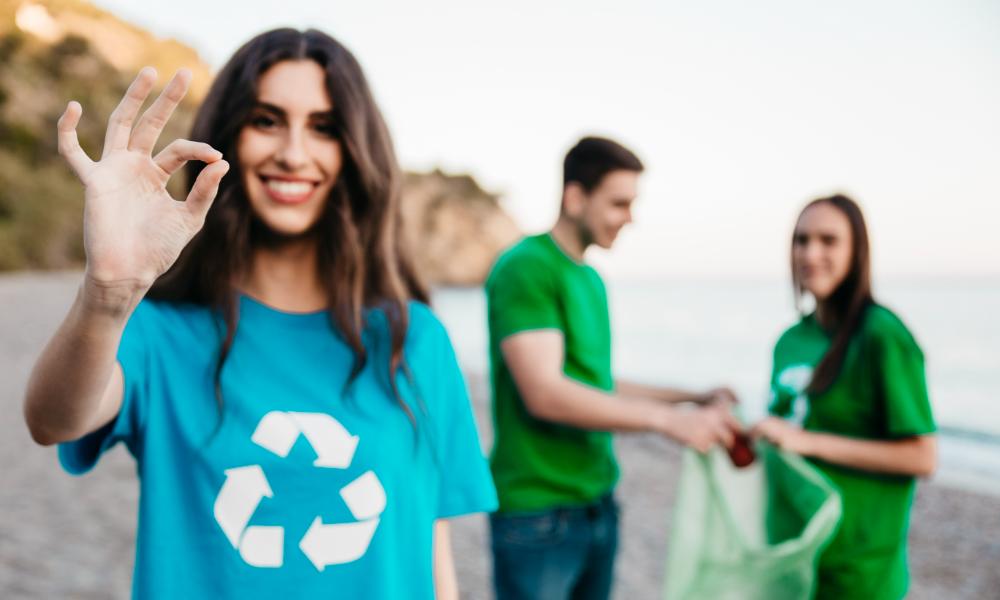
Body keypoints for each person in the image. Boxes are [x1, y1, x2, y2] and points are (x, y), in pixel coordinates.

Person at [23, 29, 496, 599]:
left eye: (323, 127)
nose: (293, 153)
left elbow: (430, 550)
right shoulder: (159, 333)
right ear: (228, 135)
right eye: (266, 120)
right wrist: (107, 293)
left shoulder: (413, 339)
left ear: (354, 150)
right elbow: (52, 420)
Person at [485, 136, 741, 600]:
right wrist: (668, 422)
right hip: (538, 515)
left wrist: (690, 396)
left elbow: (596, 383)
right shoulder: (526, 267)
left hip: (597, 505)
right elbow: (544, 391)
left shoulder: (590, 278)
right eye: (619, 203)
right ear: (575, 197)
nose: (630, 218)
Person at [753, 194, 937, 599]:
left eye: (828, 240)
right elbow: (785, 437)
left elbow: (922, 456)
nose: (810, 253)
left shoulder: (882, 335)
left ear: (857, 251)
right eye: (801, 240)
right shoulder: (789, 341)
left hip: (858, 573)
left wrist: (810, 443)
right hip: (793, 561)